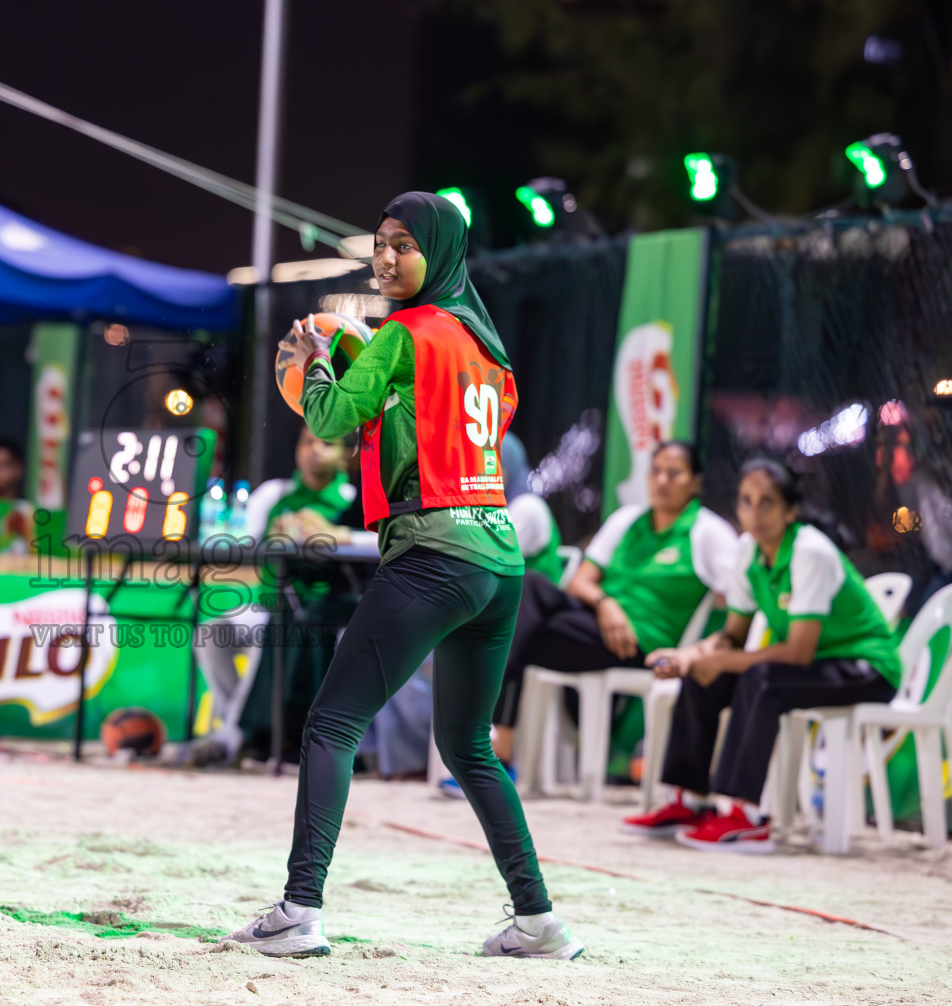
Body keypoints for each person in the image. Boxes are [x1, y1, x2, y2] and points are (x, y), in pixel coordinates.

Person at [225, 192, 583, 960]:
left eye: (403, 247)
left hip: (435, 553)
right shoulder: (489, 349)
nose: (386, 258)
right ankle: (538, 921)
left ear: (438, 255)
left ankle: (299, 911)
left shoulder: (407, 332)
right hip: (498, 558)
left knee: (330, 724)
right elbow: (436, 426)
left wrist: (314, 365)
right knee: (468, 746)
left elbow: (326, 420)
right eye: (380, 244)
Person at [622, 458, 900, 852]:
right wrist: (690, 657)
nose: (754, 512)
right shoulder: (749, 551)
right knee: (707, 675)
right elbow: (733, 634)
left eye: (766, 502)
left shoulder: (810, 552)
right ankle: (687, 801)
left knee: (762, 678)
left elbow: (798, 652)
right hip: (817, 665)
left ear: (790, 511)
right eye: (746, 501)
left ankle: (747, 817)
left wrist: (718, 659)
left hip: (866, 667)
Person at [491, 441, 737, 766]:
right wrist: (606, 604)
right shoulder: (628, 520)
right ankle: (499, 742)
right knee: (526, 592)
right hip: (597, 622)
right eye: (657, 471)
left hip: (640, 642)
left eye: (674, 474)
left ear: (694, 482)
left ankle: (493, 735)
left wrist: (700, 648)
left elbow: (740, 599)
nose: (662, 480)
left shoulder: (708, 532)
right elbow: (580, 581)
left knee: (518, 623)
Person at [191, 425, 357, 764]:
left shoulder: (353, 502)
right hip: (266, 602)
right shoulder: (274, 495)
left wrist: (328, 535)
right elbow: (245, 549)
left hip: (323, 612)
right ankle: (235, 727)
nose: (314, 449)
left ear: (344, 455)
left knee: (269, 635)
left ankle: (232, 739)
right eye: (307, 441)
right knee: (211, 634)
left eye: (326, 443)